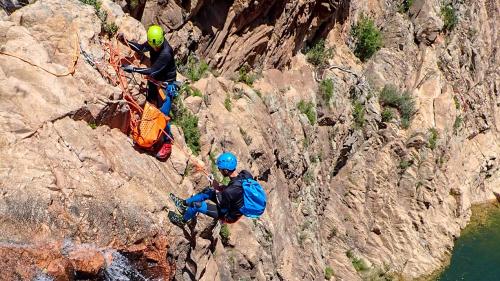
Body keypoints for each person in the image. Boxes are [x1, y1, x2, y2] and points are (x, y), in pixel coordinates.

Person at [118, 25, 177, 160]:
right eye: (153, 46)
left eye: (157, 46)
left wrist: (132, 69)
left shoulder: (166, 52)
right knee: (150, 109)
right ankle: (148, 136)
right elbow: (142, 48)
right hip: (154, 82)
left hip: (165, 86)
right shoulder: (154, 42)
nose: (155, 49)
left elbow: (152, 70)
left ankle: (167, 143)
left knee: (162, 115)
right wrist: (125, 40)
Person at [168, 152, 252, 226]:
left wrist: (217, 189)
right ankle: (183, 204)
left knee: (196, 205)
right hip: (234, 205)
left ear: (226, 171)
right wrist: (219, 187)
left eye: (220, 169)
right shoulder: (244, 175)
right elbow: (235, 191)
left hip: (228, 215)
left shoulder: (229, 192)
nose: (219, 170)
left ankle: (182, 221)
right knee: (208, 192)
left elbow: (223, 208)